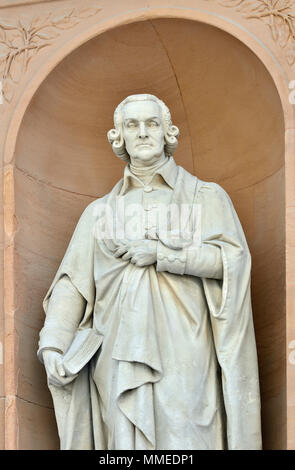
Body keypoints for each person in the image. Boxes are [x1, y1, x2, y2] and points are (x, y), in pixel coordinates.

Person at [38, 94, 262, 450]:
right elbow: (72, 286)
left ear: (167, 132)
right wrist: (52, 344)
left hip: (187, 351)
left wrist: (162, 255)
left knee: (188, 438)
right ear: (118, 137)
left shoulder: (204, 197)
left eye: (151, 124)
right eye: (132, 125)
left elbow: (231, 262)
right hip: (116, 354)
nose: (143, 133)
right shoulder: (99, 213)